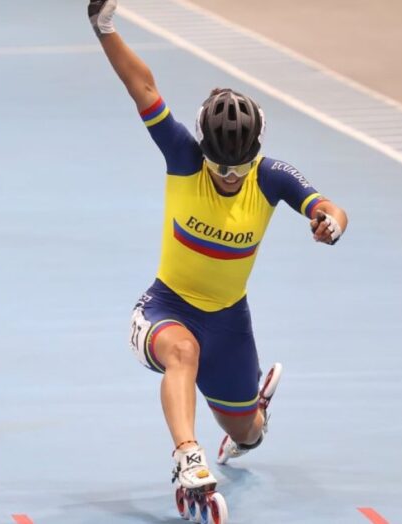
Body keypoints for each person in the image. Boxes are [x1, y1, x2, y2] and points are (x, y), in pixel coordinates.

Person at [89, 0, 348, 520]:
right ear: (202, 148)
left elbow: (328, 206)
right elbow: (143, 87)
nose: (229, 177)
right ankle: (188, 458)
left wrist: (331, 222)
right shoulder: (182, 157)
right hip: (166, 308)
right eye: (219, 166)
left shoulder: (272, 177)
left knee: (247, 433)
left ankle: (252, 415)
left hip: (230, 323)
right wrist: (104, 27)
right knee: (181, 352)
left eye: (238, 169)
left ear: (256, 155)